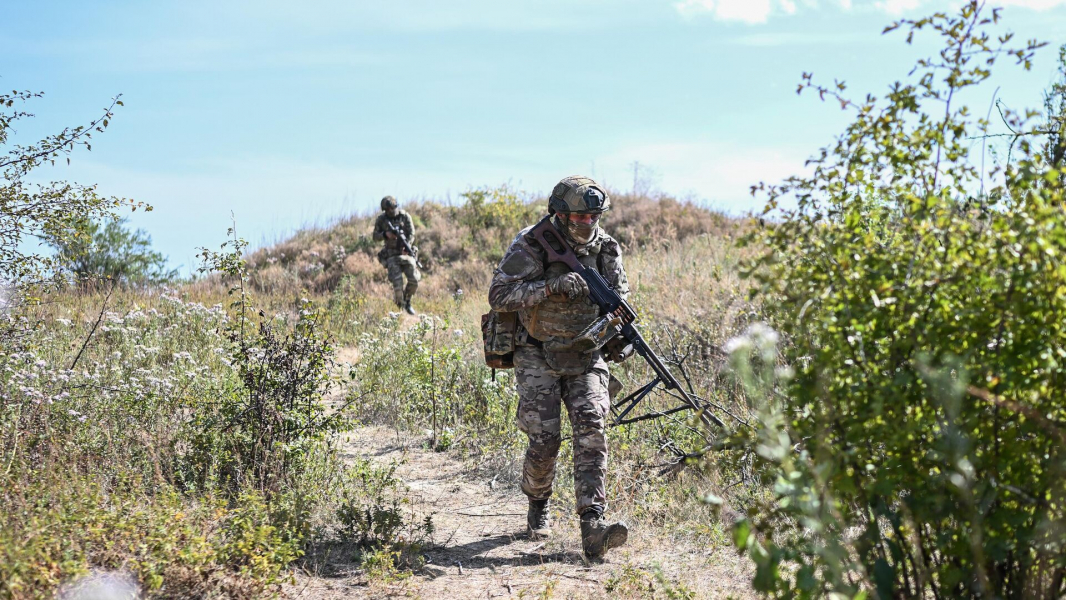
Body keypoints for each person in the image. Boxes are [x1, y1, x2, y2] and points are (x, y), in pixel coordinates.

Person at [488, 175, 631, 560]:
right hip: (537, 350)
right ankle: (538, 501)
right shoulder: (533, 244)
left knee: (592, 427)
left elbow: (620, 296)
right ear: (561, 214)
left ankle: (593, 525)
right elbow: (499, 294)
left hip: (586, 354)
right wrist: (549, 288)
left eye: (594, 216)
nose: (588, 224)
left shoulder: (607, 248)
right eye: (580, 217)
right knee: (545, 440)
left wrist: (616, 324)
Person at [373, 196, 420, 315]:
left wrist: (406, 246)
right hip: (392, 256)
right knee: (397, 285)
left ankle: (407, 301)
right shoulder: (382, 220)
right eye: (387, 209)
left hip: (406, 254)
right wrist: (385, 234)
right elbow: (375, 236)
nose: (390, 211)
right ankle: (401, 307)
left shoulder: (405, 216)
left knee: (414, 280)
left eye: (391, 208)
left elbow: (411, 233)